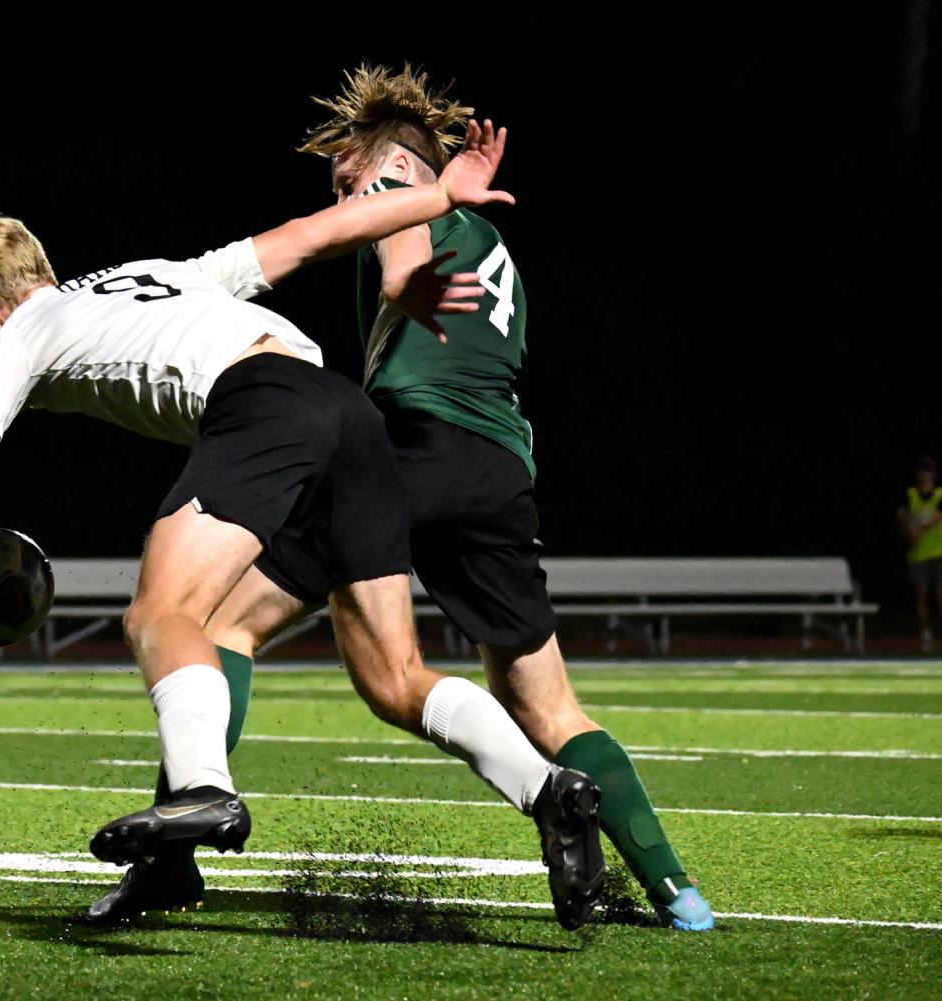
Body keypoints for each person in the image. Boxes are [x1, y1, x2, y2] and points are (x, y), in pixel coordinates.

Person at [0, 133, 605, 932]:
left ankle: (203, 791)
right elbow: (310, 236)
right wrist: (437, 197)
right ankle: (550, 791)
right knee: (393, 675)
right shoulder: (156, 274)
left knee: (160, 617)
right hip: (349, 416)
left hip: (266, 405)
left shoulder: (22, 334)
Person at [90, 65, 709, 932]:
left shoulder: (403, 196)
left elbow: (399, 261)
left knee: (218, 622)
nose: (348, 197)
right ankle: (678, 893)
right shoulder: (494, 246)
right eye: (341, 186)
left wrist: (397, 273)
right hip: (497, 468)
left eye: (354, 180)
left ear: (402, 170)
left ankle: (169, 860)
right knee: (546, 703)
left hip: (407, 451)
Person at [897, 455, 942, 651]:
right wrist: (909, 528)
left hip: (939, 552)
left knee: (941, 594)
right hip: (918, 555)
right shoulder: (909, 494)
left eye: (929, 470)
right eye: (923, 470)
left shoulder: (940, 494)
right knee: (921, 595)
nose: (926, 474)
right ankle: (925, 630)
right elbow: (902, 515)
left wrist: (916, 529)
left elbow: (935, 519)